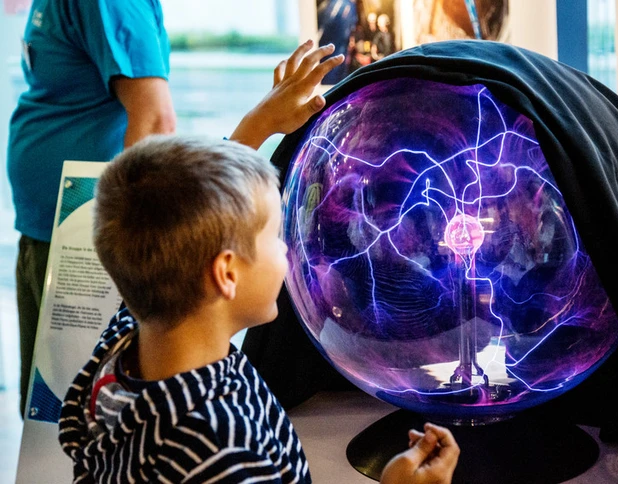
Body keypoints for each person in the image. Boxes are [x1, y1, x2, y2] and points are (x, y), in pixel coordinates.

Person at [58, 43, 460, 483]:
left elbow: (183, 206)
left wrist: (259, 124)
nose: (289, 250)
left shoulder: (122, 353)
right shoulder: (220, 453)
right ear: (226, 273)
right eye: (274, 237)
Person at [7, 0, 176, 417]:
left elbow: (154, 121)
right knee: (45, 417)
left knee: (75, 418)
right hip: (48, 231)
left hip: (87, 237)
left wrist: (126, 246)